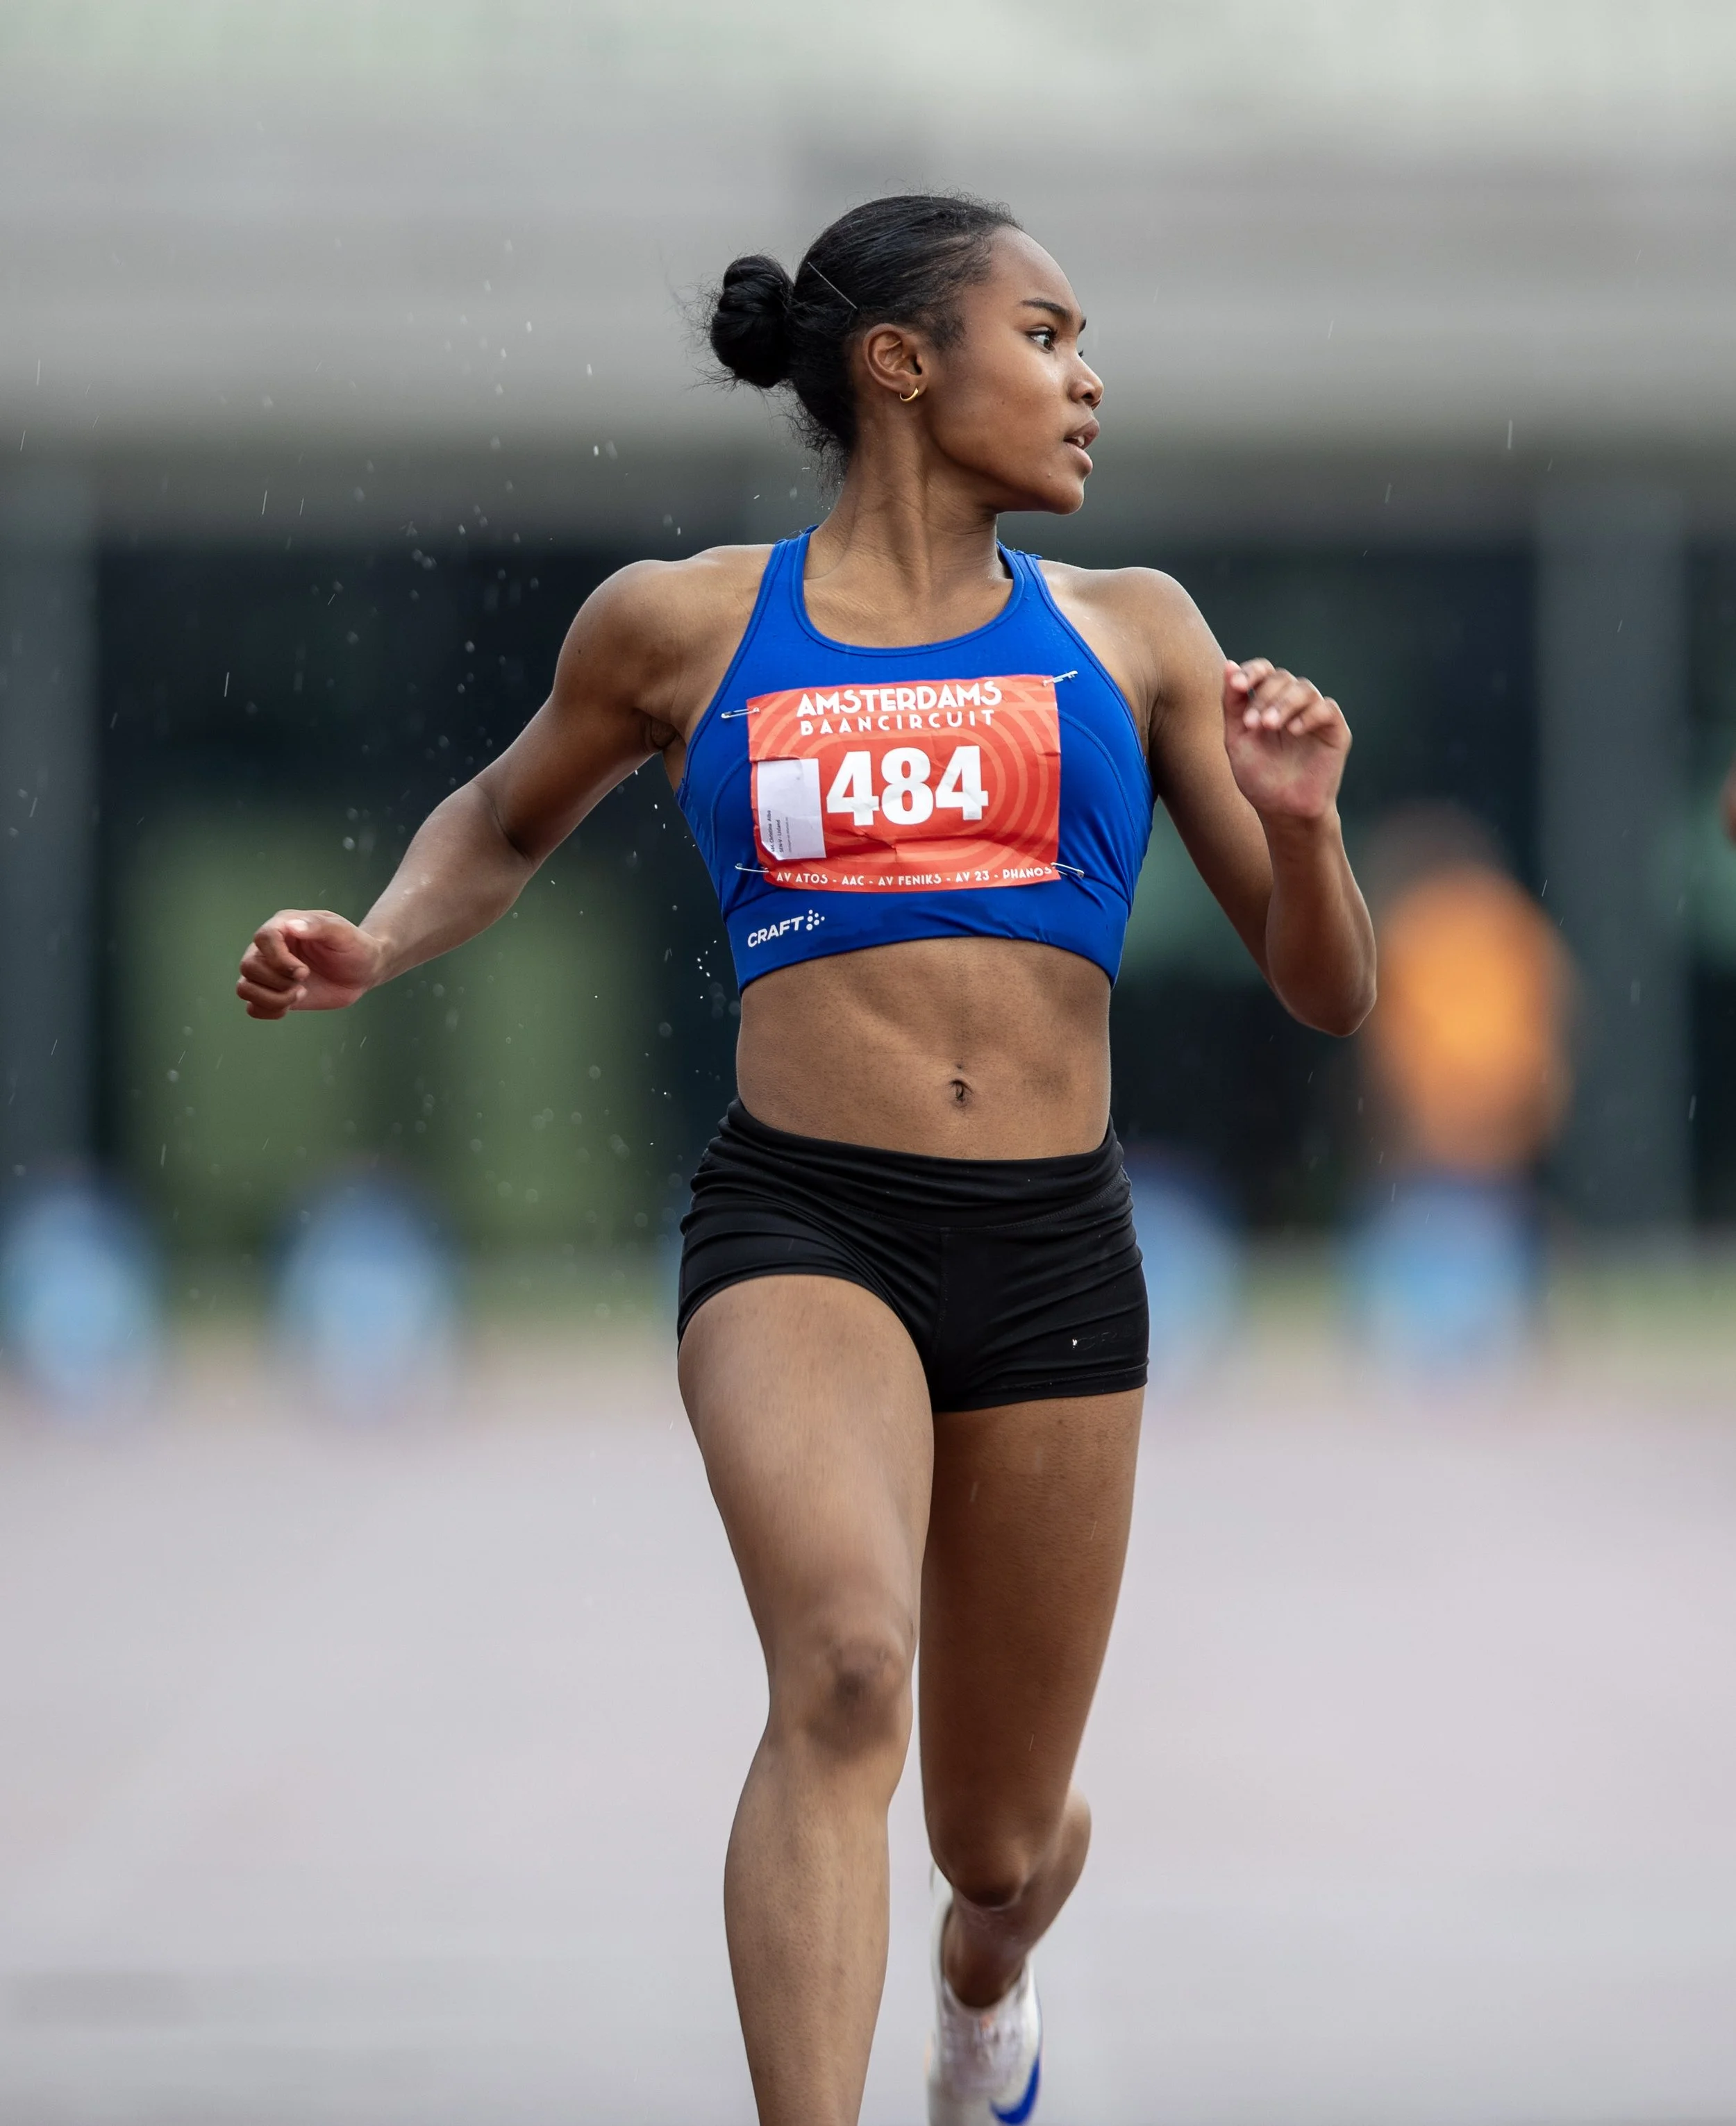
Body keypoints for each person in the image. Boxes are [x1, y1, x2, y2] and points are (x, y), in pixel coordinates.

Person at [236, 194, 1376, 2126]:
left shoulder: (1137, 635)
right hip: (804, 1223)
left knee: (994, 1840)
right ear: (900, 365)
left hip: (1053, 1248)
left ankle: (984, 1982)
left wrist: (1308, 826)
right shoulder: (681, 624)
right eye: (1045, 333)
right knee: (845, 1669)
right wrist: (379, 938)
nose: (1087, 380)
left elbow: (1326, 990)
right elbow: (500, 819)